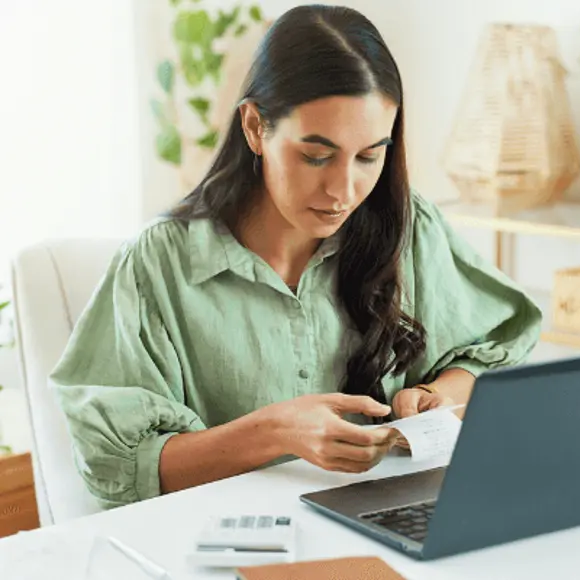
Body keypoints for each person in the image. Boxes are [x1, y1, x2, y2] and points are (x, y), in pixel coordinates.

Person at [50, 4, 542, 510]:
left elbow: (492, 351)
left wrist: (441, 397)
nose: (344, 190)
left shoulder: (409, 228)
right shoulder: (158, 265)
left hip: (389, 526)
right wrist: (275, 432)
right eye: (316, 156)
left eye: (370, 155)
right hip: (229, 542)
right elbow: (118, 467)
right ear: (255, 127)